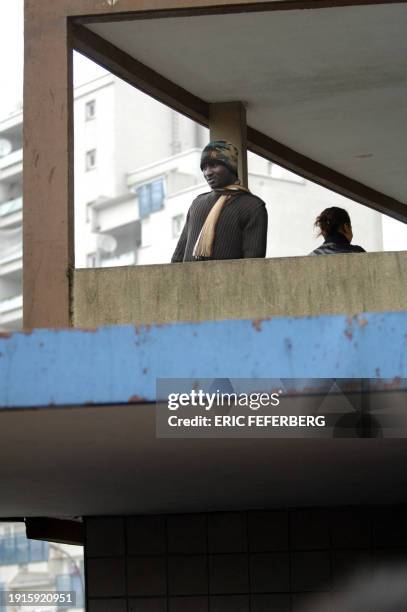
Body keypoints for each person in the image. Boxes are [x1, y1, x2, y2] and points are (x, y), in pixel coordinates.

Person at [171, 140, 268, 262]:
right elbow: (179, 255)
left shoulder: (252, 206)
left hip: (229, 280)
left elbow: (254, 261)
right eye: (204, 168)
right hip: (189, 280)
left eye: (214, 165)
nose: (208, 173)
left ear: (230, 167)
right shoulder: (197, 203)